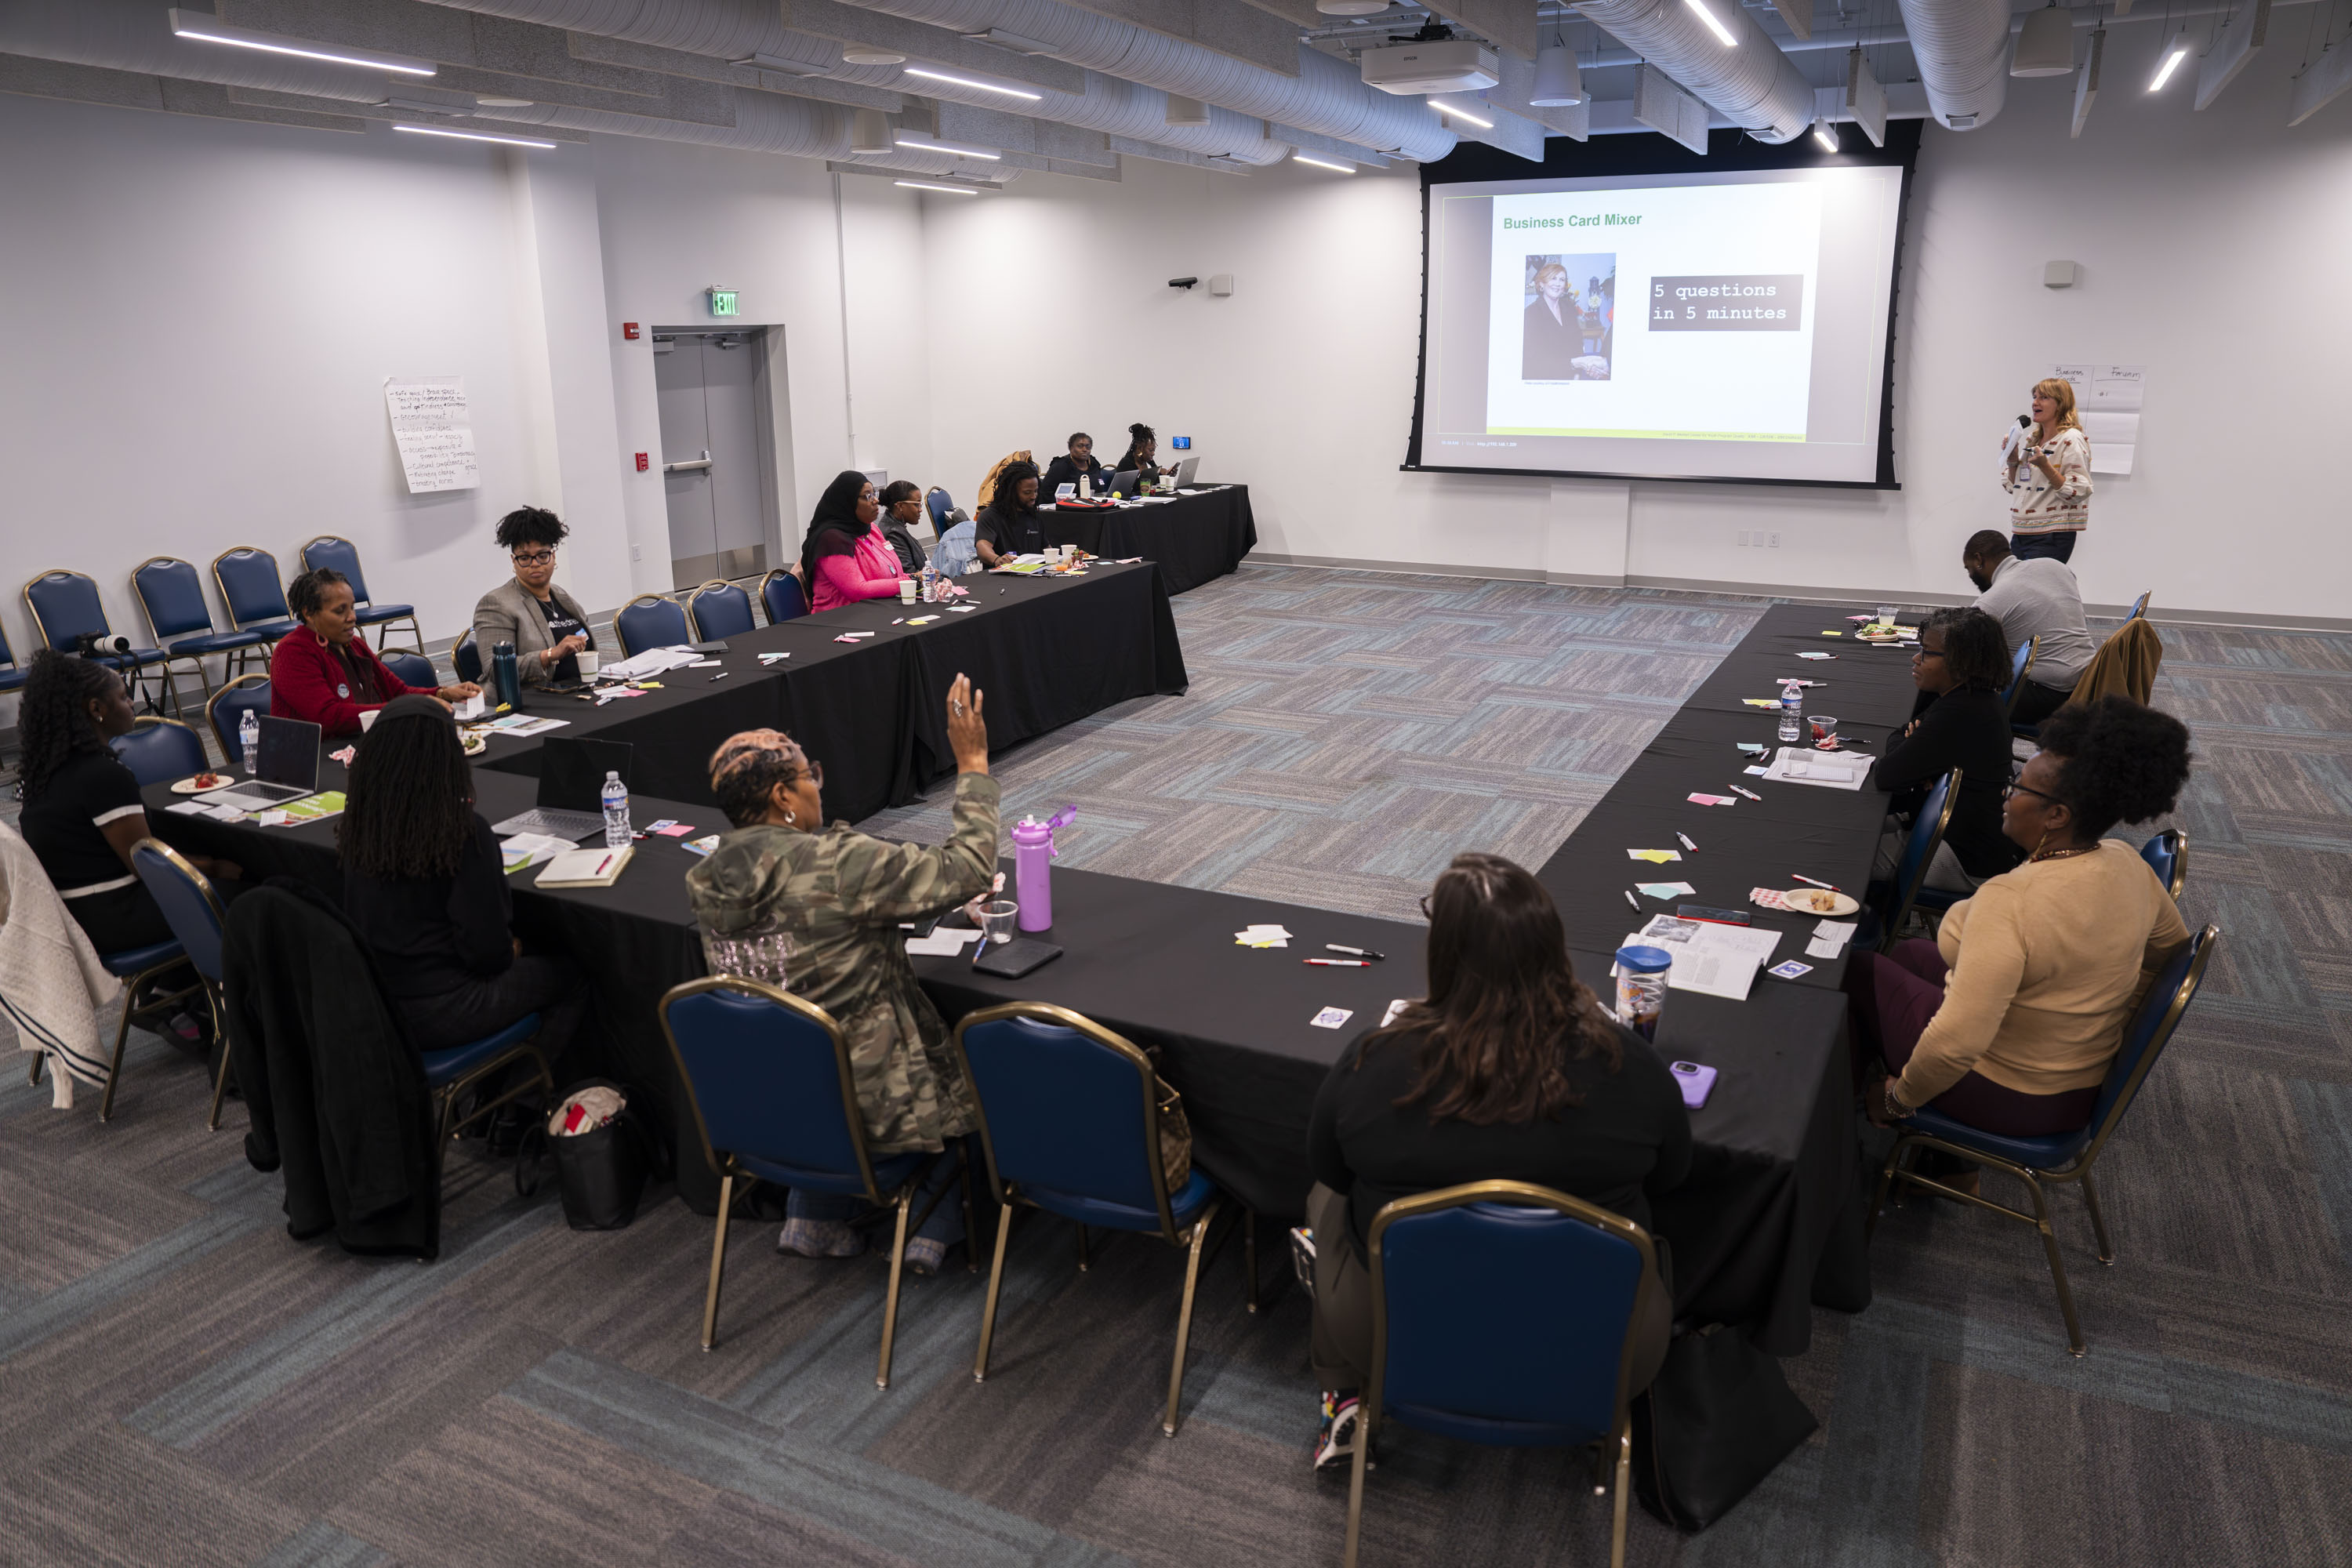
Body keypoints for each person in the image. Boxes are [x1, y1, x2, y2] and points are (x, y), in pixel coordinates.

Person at [1302, 851, 1690, 1471]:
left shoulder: (1371, 1063)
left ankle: (1346, 1394)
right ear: (1555, 951)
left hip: (1394, 1331)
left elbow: (1328, 1167)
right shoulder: (1633, 1066)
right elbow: (1673, 1179)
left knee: (1327, 1201)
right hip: (1605, 1345)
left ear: (1443, 955)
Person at [684, 674, 998, 1272]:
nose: (816, 788)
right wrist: (973, 763)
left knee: (806, 1042)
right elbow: (966, 869)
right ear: (783, 797)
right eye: (810, 776)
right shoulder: (836, 863)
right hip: (871, 1110)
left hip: (765, 1106)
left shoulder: (706, 878)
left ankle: (815, 1214)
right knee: (967, 1069)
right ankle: (933, 1228)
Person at [1846, 698, 2193, 1189]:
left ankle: (1851, 1129)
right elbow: (2170, 956)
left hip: (2010, 1094)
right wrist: (2085, 1017)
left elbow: (1957, 1043)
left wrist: (1900, 1097)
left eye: (2019, 787)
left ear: (2056, 816)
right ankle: (1948, 1163)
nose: (2006, 796)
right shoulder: (2125, 863)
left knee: (1859, 970)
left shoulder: (2012, 900)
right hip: (2077, 1081)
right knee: (1907, 954)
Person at [338, 693, 585, 1062]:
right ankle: (520, 1102)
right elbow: (489, 955)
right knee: (575, 974)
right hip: (449, 1006)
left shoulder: (360, 827)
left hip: (378, 1004)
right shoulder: (460, 831)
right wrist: (512, 949)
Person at [14, 651, 244, 956]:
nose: (132, 703)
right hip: (117, 916)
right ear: (97, 709)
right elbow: (148, 865)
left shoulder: (45, 772)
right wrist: (214, 866)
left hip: (79, 915)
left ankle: (174, 990)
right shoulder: (101, 776)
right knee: (258, 896)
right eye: (124, 697)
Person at [1872, 608, 2024, 894]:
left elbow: (1888, 774)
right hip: (1960, 833)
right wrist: (1910, 746)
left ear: (1960, 662)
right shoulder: (1967, 696)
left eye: (1927, 653)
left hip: (1963, 857)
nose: (1916, 658)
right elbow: (1901, 734)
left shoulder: (1960, 712)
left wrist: (1909, 746)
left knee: (1842, 853)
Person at [272, 568, 477, 735]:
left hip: (368, 744)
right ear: (309, 613)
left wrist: (444, 692)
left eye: (352, 608)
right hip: (316, 761)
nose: (352, 617)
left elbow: (397, 692)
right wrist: (405, 709)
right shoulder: (292, 651)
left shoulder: (355, 646)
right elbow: (328, 717)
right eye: (340, 611)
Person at [1962, 529, 2092, 727]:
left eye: (1968, 568)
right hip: (2091, 680)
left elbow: (1960, 645)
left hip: (2053, 696)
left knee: (1960, 689)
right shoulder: (2056, 566)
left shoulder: (1992, 600)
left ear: (1979, 560)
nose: (1970, 575)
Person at [474, 506, 597, 688]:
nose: (535, 564)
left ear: (553, 557)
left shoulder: (563, 597)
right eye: (524, 558)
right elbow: (495, 669)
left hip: (577, 690)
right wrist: (550, 655)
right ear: (513, 561)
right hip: (530, 700)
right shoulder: (496, 604)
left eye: (542, 556)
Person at [2001, 378, 2092, 564]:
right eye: (2035, 397)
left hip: (2051, 535)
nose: (2035, 402)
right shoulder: (2034, 439)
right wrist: (2012, 460)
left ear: (2060, 404)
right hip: (2021, 533)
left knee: (2033, 589)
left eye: (2043, 397)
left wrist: (2045, 465)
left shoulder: (2071, 439)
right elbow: (2016, 487)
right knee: (2017, 590)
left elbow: (2078, 490)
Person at [800, 470, 909, 613]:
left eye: (874, 494)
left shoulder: (870, 529)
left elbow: (895, 571)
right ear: (847, 502)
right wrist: (907, 582)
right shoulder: (831, 540)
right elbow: (858, 591)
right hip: (839, 620)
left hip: (875, 612)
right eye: (867, 496)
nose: (876, 501)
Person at [973, 460, 1048, 566]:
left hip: (1033, 575)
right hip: (1002, 578)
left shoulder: (1035, 515)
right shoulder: (990, 516)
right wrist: (997, 559)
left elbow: (1046, 547)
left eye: (1035, 491)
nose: (1033, 497)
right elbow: (982, 546)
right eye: (1027, 493)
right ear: (1011, 492)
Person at [1521, 262, 1581, 379]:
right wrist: (1574, 364)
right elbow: (1535, 359)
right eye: (1553, 278)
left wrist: (1577, 374)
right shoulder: (1531, 314)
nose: (1557, 284)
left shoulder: (1569, 308)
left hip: (1571, 375)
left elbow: (1578, 343)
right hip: (1543, 378)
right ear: (1542, 283)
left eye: (1562, 279)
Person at [877, 481, 930, 575]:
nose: (920, 509)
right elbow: (910, 574)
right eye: (916, 505)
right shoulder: (893, 535)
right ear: (900, 506)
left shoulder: (896, 526)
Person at [1040, 432, 1106, 499]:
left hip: (1096, 505)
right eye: (1080, 446)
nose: (1085, 450)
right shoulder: (1061, 466)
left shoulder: (1093, 464)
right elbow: (1045, 492)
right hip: (1068, 507)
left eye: (1088, 447)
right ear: (1071, 448)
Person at [1112, 422, 1160, 486]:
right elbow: (1131, 488)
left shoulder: (1148, 461)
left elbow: (1155, 480)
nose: (1153, 453)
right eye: (1151, 450)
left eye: (1154, 450)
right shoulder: (1126, 463)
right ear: (1140, 448)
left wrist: (1167, 475)